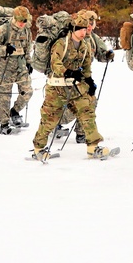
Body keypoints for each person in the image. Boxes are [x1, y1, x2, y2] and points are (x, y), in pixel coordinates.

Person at [32, 11, 111, 161]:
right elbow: (55, 64)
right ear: (73, 29)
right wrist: (67, 72)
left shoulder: (85, 45)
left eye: (84, 29)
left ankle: (93, 147)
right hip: (57, 88)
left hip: (76, 87)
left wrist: (90, 81)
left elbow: (86, 67)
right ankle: (38, 148)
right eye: (80, 29)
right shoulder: (62, 43)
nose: (83, 32)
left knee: (87, 113)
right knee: (49, 119)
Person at [57, 10, 114, 144]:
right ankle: (55, 121)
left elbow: (100, 54)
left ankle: (81, 133)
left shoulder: (93, 38)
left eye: (92, 24)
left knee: (90, 102)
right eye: (87, 23)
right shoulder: (69, 37)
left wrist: (107, 56)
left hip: (84, 78)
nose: (89, 27)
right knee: (77, 106)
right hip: (67, 77)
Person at [0, 5, 34, 135]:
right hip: (6, 66)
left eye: (25, 21)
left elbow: (28, 47)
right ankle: (4, 123)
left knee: (27, 91)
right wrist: (5, 49)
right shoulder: (4, 29)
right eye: (21, 21)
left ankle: (15, 111)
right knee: (4, 95)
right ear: (15, 18)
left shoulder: (26, 30)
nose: (23, 23)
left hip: (21, 65)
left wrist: (29, 62)